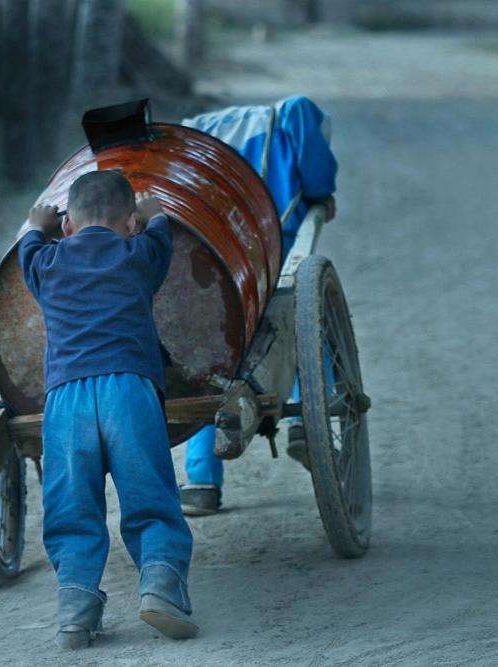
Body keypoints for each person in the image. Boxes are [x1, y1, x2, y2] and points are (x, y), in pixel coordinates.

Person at [17, 171, 198, 649]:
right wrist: (155, 213)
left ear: (68, 226)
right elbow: (162, 231)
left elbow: (27, 247)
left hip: (66, 399)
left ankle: (75, 612)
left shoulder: (46, 261)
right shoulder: (140, 253)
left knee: (71, 507)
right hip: (129, 390)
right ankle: (161, 587)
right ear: (130, 224)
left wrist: (38, 226)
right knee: (149, 497)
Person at [178, 95, 339, 516]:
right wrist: (323, 197)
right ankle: (305, 420)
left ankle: (200, 480)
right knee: (305, 321)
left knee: (213, 353)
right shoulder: (295, 114)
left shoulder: (196, 127)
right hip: (276, 245)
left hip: (213, 257)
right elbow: (319, 179)